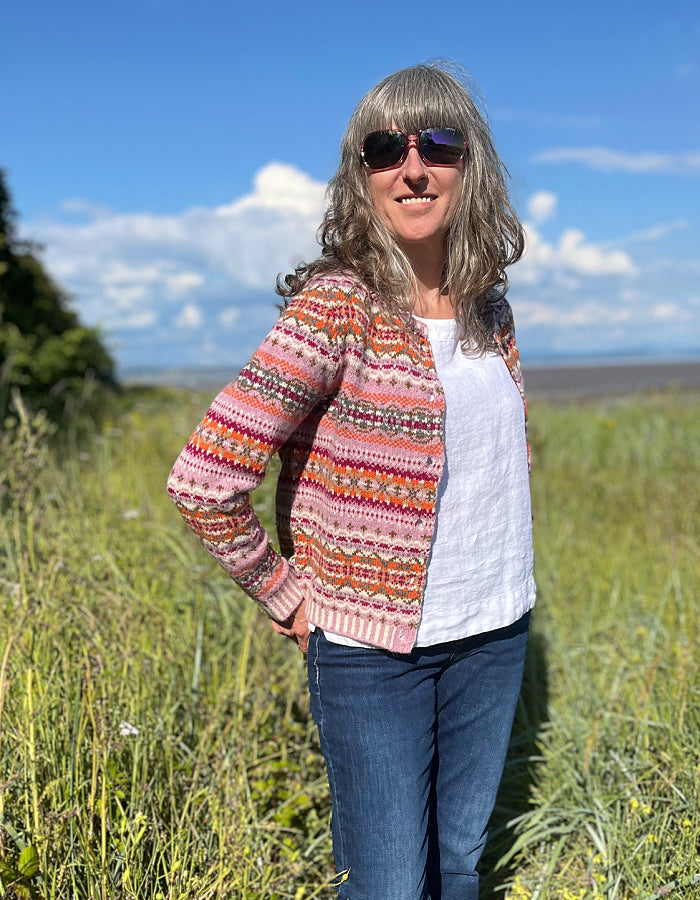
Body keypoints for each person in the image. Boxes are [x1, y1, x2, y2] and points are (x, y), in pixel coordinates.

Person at [167, 61, 535, 900]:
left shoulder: (490, 309)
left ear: (471, 164)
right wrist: (286, 594)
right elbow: (204, 476)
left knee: (460, 867)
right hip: (373, 654)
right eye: (385, 148)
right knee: (386, 884)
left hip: (496, 629)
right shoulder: (339, 306)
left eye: (439, 143)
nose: (414, 167)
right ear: (360, 174)